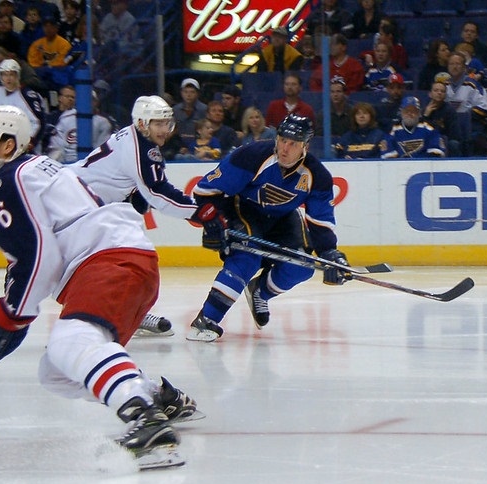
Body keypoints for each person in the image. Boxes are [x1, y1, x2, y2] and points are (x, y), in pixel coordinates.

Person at [0, 104, 197, 469]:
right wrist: (13, 308)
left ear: (7, 145)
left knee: (70, 341)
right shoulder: (37, 170)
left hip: (109, 260)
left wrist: (10, 317)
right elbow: (31, 254)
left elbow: (39, 254)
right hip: (120, 260)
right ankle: (155, 396)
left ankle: (146, 422)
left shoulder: (3, 183)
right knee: (55, 372)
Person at [186, 114, 351, 342]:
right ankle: (207, 319)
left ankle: (259, 292)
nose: (285, 148)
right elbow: (205, 191)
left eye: (293, 143)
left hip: (282, 218)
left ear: (305, 146)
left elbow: (320, 221)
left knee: (302, 266)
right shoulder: (251, 156)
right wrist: (212, 220)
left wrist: (330, 255)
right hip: (243, 209)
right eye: (282, 140)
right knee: (246, 258)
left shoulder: (317, 175)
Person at [70, 95, 224, 336]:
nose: (165, 130)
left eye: (167, 123)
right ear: (143, 124)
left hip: (90, 204)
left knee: (125, 262)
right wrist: (200, 213)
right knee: (121, 262)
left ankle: (128, 313)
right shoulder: (141, 149)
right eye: (158, 124)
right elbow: (159, 194)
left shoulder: (137, 139)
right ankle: (81, 328)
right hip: (77, 204)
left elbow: (135, 183)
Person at [0, 58, 46, 152]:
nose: (8, 78)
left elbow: (38, 123)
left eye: (11, 74)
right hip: (3, 143)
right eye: (5, 74)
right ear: (0, 76)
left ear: (17, 75)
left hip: (25, 146)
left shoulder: (28, 95)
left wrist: (30, 142)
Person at [444, 51, 487, 156]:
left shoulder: (473, 85)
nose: (454, 67)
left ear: (464, 67)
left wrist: (465, 116)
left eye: (458, 64)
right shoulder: (444, 86)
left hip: (471, 126)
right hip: (450, 128)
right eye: (451, 64)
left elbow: (484, 108)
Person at [382, 96, 446, 158]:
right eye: (406, 110)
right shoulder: (392, 130)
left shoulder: (429, 129)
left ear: (419, 113)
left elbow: (436, 154)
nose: (410, 113)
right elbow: (388, 156)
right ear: (401, 112)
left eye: (413, 111)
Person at [27, 15, 72, 90]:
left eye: (51, 26)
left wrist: (49, 67)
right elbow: (33, 63)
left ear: (56, 28)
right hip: (41, 74)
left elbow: (63, 61)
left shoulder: (64, 44)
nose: (48, 29)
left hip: (58, 74)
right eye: (45, 26)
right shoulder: (36, 44)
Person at [421, 80, 461, 157]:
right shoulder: (424, 110)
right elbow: (420, 132)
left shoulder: (450, 111)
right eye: (436, 90)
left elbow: (455, 135)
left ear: (445, 95)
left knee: (454, 144)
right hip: (427, 142)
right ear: (430, 94)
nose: (439, 93)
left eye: (442, 91)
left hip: (445, 142)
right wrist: (425, 116)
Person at [44, 84, 77, 163]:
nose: (70, 99)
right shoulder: (50, 117)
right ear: (60, 98)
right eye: (67, 96)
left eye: (72, 97)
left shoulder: (76, 118)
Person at [172, 77, 206, 147]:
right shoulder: (175, 110)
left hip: (199, 146)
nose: (188, 95)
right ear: (181, 93)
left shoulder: (204, 109)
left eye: (192, 92)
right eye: (185, 92)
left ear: (197, 94)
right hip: (178, 147)